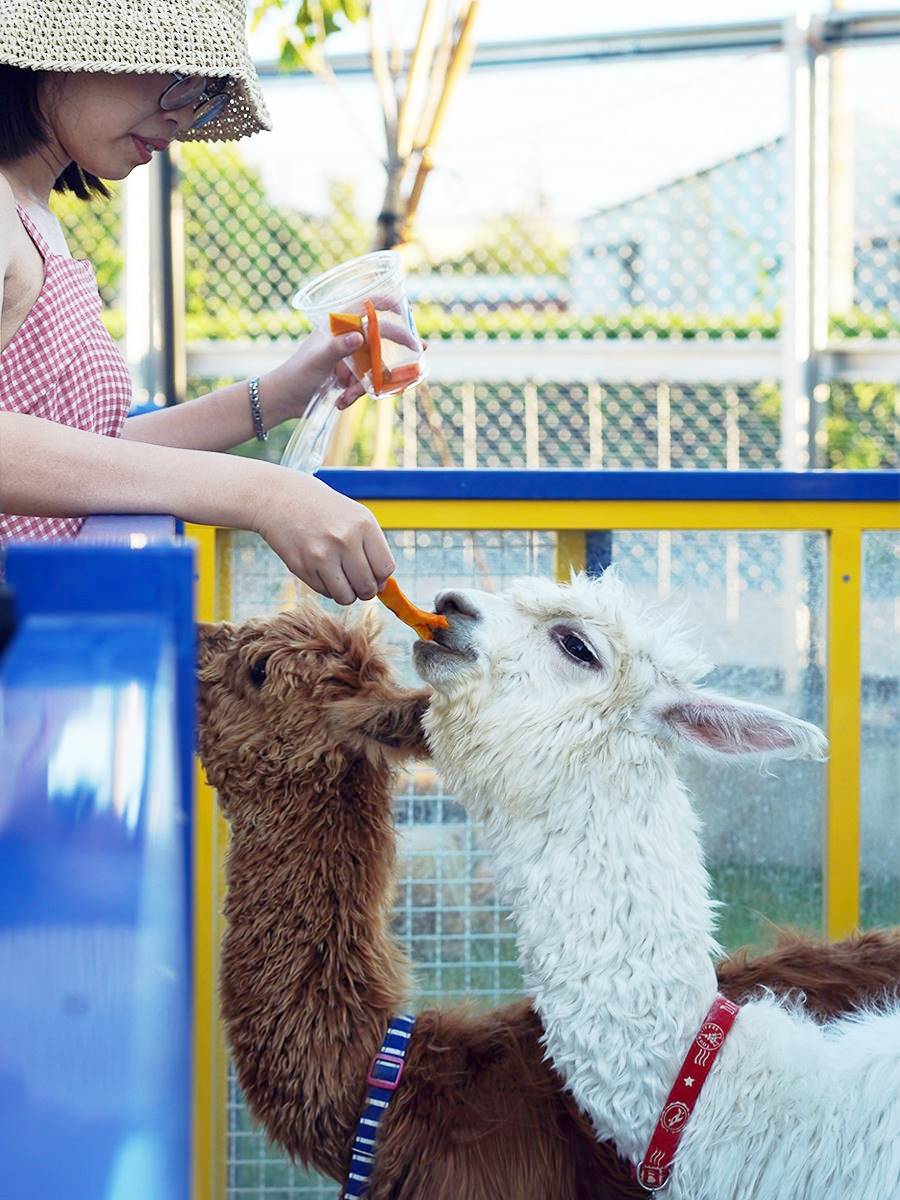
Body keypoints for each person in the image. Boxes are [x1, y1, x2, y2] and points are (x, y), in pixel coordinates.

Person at [0, 0, 396, 605]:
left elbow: (88, 456)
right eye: (177, 74)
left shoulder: (34, 212)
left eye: (203, 91)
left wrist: (278, 394)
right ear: (69, 47)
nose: (183, 117)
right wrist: (260, 492)